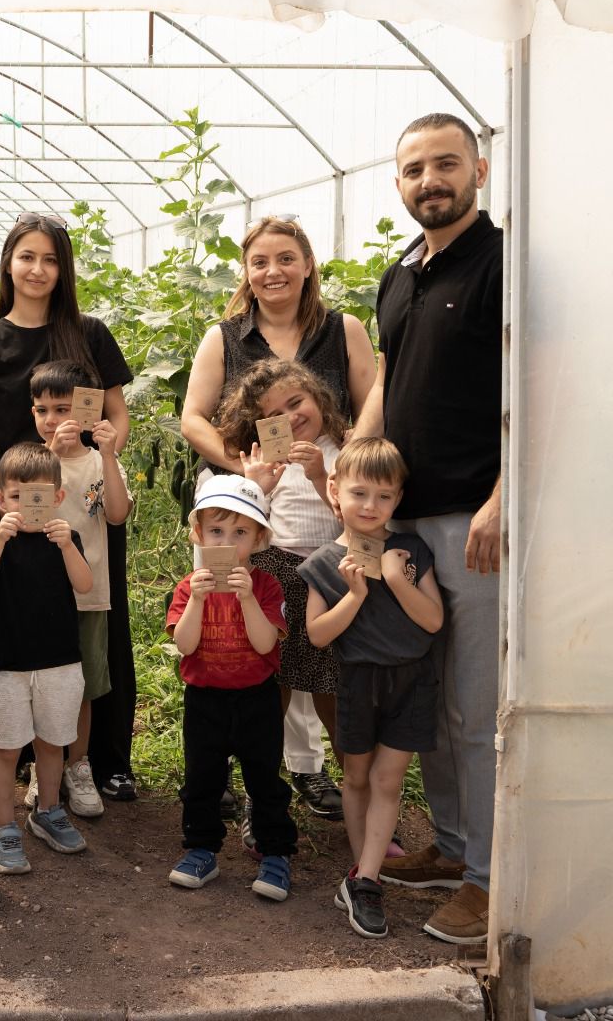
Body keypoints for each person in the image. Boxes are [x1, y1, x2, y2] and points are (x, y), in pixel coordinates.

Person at [354, 112, 503, 945]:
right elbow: (389, 380)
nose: (429, 181)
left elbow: (538, 387)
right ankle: (450, 846)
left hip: (472, 521)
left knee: (474, 707)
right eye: (413, 170)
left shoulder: (502, 265)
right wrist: (355, 470)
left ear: (479, 169)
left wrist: (502, 498)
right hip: (404, 520)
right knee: (428, 692)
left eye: (445, 165)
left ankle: (488, 879)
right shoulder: (402, 272)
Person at [181, 214, 377, 820]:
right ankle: (259, 781)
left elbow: (373, 401)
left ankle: (318, 775)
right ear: (246, 271)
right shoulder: (226, 336)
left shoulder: (342, 329)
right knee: (260, 657)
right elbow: (194, 417)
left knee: (324, 668)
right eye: (260, 261)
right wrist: (239, 472)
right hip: (253, 512)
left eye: (286, 259)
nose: (274, 272)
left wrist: (346, 471)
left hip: (325, 515)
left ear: (308, 263)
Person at [0, 213, 139, 804]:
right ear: (9, 264)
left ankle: (98, 761)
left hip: (82, 503)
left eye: (50, 259)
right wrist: (4, 482)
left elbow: (118, 416)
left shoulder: (88, 332)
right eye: (27, 257)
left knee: (93, 633)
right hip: (19, 510)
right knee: (18, 625)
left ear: (63, 269)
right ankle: (17, 757)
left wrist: (91, 453)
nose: (38, 270)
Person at [300, 437, 444, 939]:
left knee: (387, 781)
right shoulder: (322, 563)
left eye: (384, 497)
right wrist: (357, 594)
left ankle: (365, 880)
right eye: (360, 493)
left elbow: (432, 621)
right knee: (357, 778)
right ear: (335, 492)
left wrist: (397, 580)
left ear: (398, 499)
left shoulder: (412, 552)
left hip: (412, 681)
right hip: (358, 682)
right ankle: (362, 870)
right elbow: (317, 635)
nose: (371, 506)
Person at [215, 356, 349, 839]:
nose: (291, 417)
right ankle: (261, 797)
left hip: (334, 576)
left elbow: (353, 518)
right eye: (276, 414)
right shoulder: (262, 461)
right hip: (278, 574)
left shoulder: (344, 449)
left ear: (319, 399)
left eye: (297, 402)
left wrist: (319, 475)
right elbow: (248, 531)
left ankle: (359, 797)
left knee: (335, 692)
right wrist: (257, 485)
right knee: (271, 693)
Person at [165, 475, 297, 902]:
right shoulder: (189, 587)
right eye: (217, 531)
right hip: (205, 699)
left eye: (240, 532)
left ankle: (276, 851)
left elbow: (264, 644)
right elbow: (184, 645)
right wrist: (200, 601)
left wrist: (247, 600)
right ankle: (201, 849)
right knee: (202, 778)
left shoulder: (266, 586)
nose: (228, 541)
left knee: (264, 778)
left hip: (257, 698)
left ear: (258, 538)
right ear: (198, 535)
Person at [27, 360, 134, 820]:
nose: (52, 420)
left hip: (90, 596)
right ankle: (39, 767)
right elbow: (27, 504)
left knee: (85, 687)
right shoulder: (32, 462)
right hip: (39, 596)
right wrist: (51, 452)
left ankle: (79, 764)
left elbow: (114, 514)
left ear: (86, 411)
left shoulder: (98, 463)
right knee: (39, 684)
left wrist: (108, 454)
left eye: (62, 409)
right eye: (42, 410)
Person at [0, 442, 92, 872]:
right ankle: (6, 826)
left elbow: (84, 586)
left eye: (39, 498)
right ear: (1, 499)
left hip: (59, 661)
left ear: (57, 499)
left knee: (52, 743)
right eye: (16, 497)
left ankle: (48, 811)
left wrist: (67, 546)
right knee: (6, 749)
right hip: (5, 665)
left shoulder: (66, 537)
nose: (27, 507)